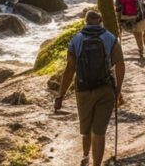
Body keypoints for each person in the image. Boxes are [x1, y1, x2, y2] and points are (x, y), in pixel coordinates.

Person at [54, 9, 125, 166]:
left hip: (83, 89)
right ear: (100, 21)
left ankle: (85, 156)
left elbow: (70, 69)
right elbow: (120, 65)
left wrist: (60, 95)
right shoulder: (110, 38)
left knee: (86, 129)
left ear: (85, 22)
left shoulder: (76, 40)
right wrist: (118, 89)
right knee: (99, 131)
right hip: (105, 89)